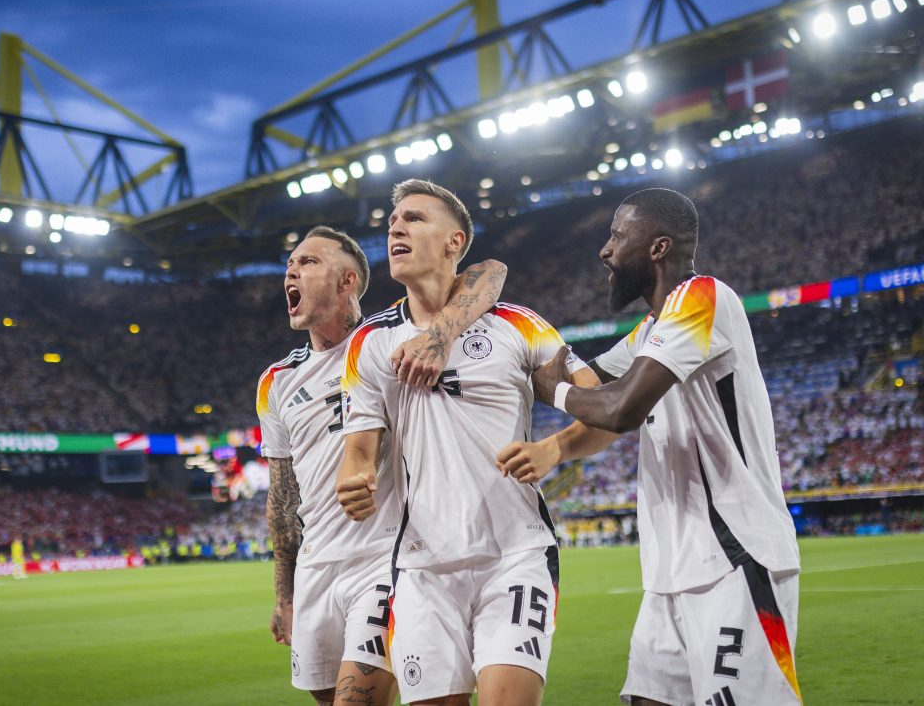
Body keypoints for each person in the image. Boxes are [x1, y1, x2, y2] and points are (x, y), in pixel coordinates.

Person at [496, 188, 802, 705]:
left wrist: (554, 390)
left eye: (618, 235)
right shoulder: (650, 331)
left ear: (658, 248)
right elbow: (598, 389)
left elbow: (620, 410)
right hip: (672, 571)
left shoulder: (701, 296)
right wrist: (553, 439)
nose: (605, 249)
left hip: (736, 557)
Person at [336, 179, 598, 706]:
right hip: (420, 566)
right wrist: (354, 481)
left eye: (413, 218)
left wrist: (555, 449)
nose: (395, 227)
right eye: (392, 221)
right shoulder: (369, 343)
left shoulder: (517, 327)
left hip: (515, 554)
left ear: (455, 241)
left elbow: (604, 409)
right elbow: (359, 450)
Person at [260, 225, 507, 706]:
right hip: (316, 568)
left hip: (387, 559)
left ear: (347, 281)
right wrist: (285, 594)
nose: (291, 271)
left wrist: (439, 335)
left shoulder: (390, 341)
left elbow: (489, 272)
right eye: (289, 264)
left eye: (308, 262)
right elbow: (283, 499)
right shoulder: (277, 381)